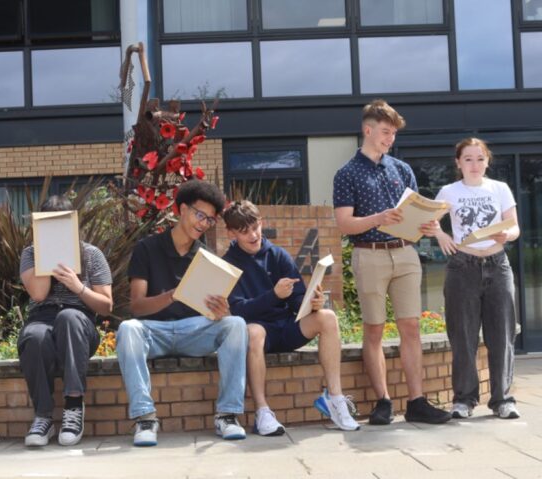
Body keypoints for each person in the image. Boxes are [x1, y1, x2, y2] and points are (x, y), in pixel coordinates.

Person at [332, 99, 451, 425]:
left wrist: (427, 225)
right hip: (368, 254)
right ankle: (383, 401)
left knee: (410, 327)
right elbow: (344, 224)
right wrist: (379, 217)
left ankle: (416, 402)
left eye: (393, 134)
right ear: (367, 130)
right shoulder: (346, 174)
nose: (390, 139)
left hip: (406, 254)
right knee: (374, 329)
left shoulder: (402, 169)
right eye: (385, 132)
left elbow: (412, 211)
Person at [116, 180, 248, 447]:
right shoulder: (147, 248)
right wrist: (170, 296)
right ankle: (145, 418)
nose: (203, 224)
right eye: (200, 215)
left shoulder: (207, 257)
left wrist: (222, 311)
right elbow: (137, 306)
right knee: (128, 328)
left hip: (193, 331)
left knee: (236, 324)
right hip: (155, 332)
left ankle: (228, 415)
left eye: (210, 220)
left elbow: (215, 310)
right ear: (182, 209)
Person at [221, 201, 360, 434]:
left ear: (261, 222)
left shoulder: (278, 255)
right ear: (231, 233)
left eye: (255, 227)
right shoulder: (228, 264)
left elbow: (297, 301)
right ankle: (262, 411)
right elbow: (238, 311)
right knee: (253, 331)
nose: (254, 235)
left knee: (327, 317)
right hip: (258, 334)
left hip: (286, 328)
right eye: (245, 232)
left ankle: (335, 399)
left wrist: (312, 303)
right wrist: (273, 295)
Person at [427, 138, 521, 419]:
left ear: (487, 161)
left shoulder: (499, 188)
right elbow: (427, 219)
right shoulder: (449, 191)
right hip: (462, 267)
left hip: (498, 264)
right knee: (463, 337)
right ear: (458, 163)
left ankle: (503, 400)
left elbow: (515, 226)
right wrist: (441, 235)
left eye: (480, 158)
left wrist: (508, 235)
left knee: (502, 335)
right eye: (468, 159)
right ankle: (464, 400)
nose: (474, 164)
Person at [18, 195, 113, 447]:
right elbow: (38, 294)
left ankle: (73, 406)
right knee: (34, 336)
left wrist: (78, 286)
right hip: (42, 318)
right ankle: (43, 416)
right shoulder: (30, 254)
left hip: (79, 322)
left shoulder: (92, 254)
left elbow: (106, 305)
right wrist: (48, 257)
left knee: (68, 316)